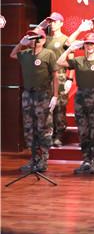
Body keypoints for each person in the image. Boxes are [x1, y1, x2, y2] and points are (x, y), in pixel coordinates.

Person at [57, 33, 94, 175]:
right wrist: (70, 49)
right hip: (81, 97)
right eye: (87, 43)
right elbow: (60, 62)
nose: (90, 46)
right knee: (83, 131)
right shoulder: (79, 60)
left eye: (92, 43)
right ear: (84, 45)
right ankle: (86, 160)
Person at [10, 28, 59, 173]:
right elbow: (12, 54)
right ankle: (33, 159)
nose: (33, 41)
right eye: (30, 38)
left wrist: (55, 96)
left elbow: (55, 76)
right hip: (28, 95)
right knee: (29, 128)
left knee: (43, 128)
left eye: (36, 38)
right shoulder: (25, 54)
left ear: (43, 40)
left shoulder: (48, 54)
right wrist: (21, 43)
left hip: (43, 95)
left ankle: (43, 160)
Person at [41, 12, 70, 147]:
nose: (52, 24)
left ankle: (59, 135)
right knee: (47, 107)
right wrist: (41, 26)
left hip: (61, 76)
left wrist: (70, 78)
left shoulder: (65, 39)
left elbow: (70, 60)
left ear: (61, 23)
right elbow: (30, 42)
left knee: (60, 107)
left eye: (55, 21)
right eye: (50, 22)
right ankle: (49, 134)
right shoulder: (45, 39)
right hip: (46, 77)